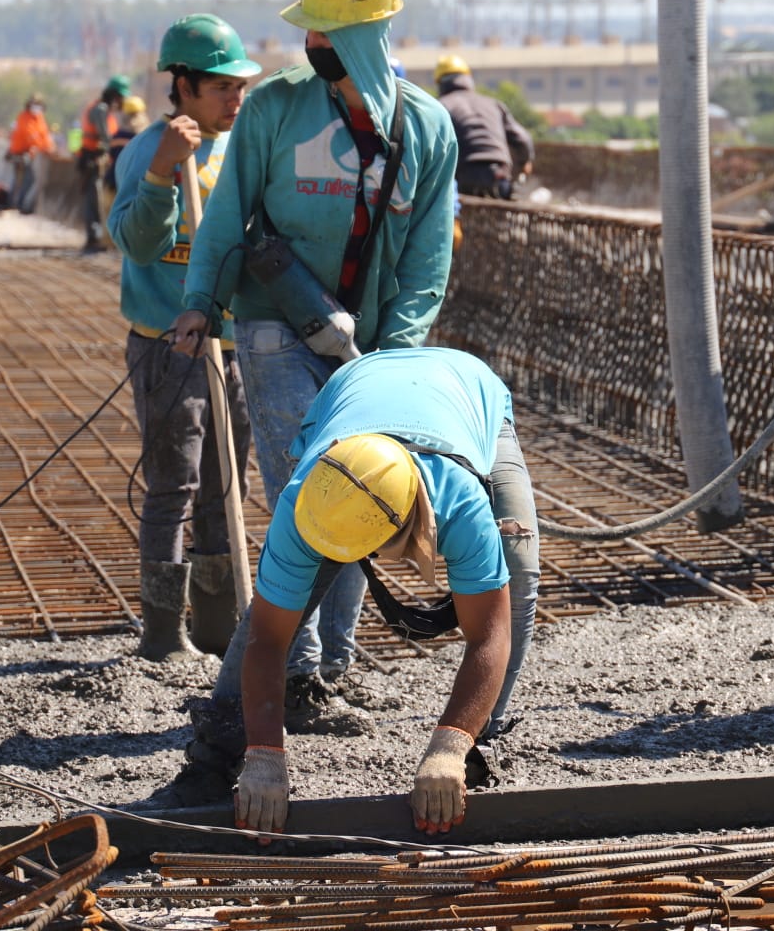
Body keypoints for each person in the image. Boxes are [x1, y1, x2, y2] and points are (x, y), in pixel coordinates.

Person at [170, 0, 458, 732]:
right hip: (274, 325)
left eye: (326, 32)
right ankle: (292, 674)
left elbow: (429, 254)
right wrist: (202, 301)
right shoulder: (275, 110)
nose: (311, 44)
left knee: (366, 486)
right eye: (311, 32)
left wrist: (398, 352)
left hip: (365, 346)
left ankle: (333, 662)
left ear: (363, 38)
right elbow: (228, 214)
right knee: (311, 490)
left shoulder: (427, 129)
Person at [182, 347, 539, 836]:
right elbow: (267, 637)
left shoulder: (461, 503)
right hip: (354, 389)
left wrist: (449, 744)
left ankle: (477, 747)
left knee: (516, 572)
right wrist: (264, 755)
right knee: (288, 597)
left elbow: (488, 634)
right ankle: (214, 756)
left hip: (466, 390)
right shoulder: (305, 501)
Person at [108, 13, 263, 661]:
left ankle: (219, 627)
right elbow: (138, 242)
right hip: (167, 348)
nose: (237, 99)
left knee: (227, 487)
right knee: (174, 488)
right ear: (186, 85)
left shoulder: (241, 151)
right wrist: (163, 176)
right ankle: (163, 635)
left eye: (240, 87)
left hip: (233, 346)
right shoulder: (148, 151)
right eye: (224, 87)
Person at [434, 54, 534, 200]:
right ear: (468, 79)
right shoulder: (494, 104)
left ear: (440, 83)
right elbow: (523, 139)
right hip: (499, 176)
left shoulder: (440, 107)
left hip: (462, 180)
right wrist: (525, 162)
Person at [78, 74, 130, 253]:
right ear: (114, 95)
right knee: (94, 198)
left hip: (97, 158)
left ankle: (97, 236)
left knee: (97, 198)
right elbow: (106, 137)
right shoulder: (100, 110)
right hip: (93, 159)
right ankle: (94, 237)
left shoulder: (104, 110)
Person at [5, 93, 56, 214]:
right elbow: (31, 137)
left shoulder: (39, 118)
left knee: (27, 179)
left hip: (30, 154)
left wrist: (51, 147)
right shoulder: (24, 118)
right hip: (19, 153)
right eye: (35, 104)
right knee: (22, 179)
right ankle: (15, 204)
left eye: (39, 105)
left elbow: (44, 135)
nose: (37, 107)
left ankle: (19, 203)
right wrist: (45, 148)